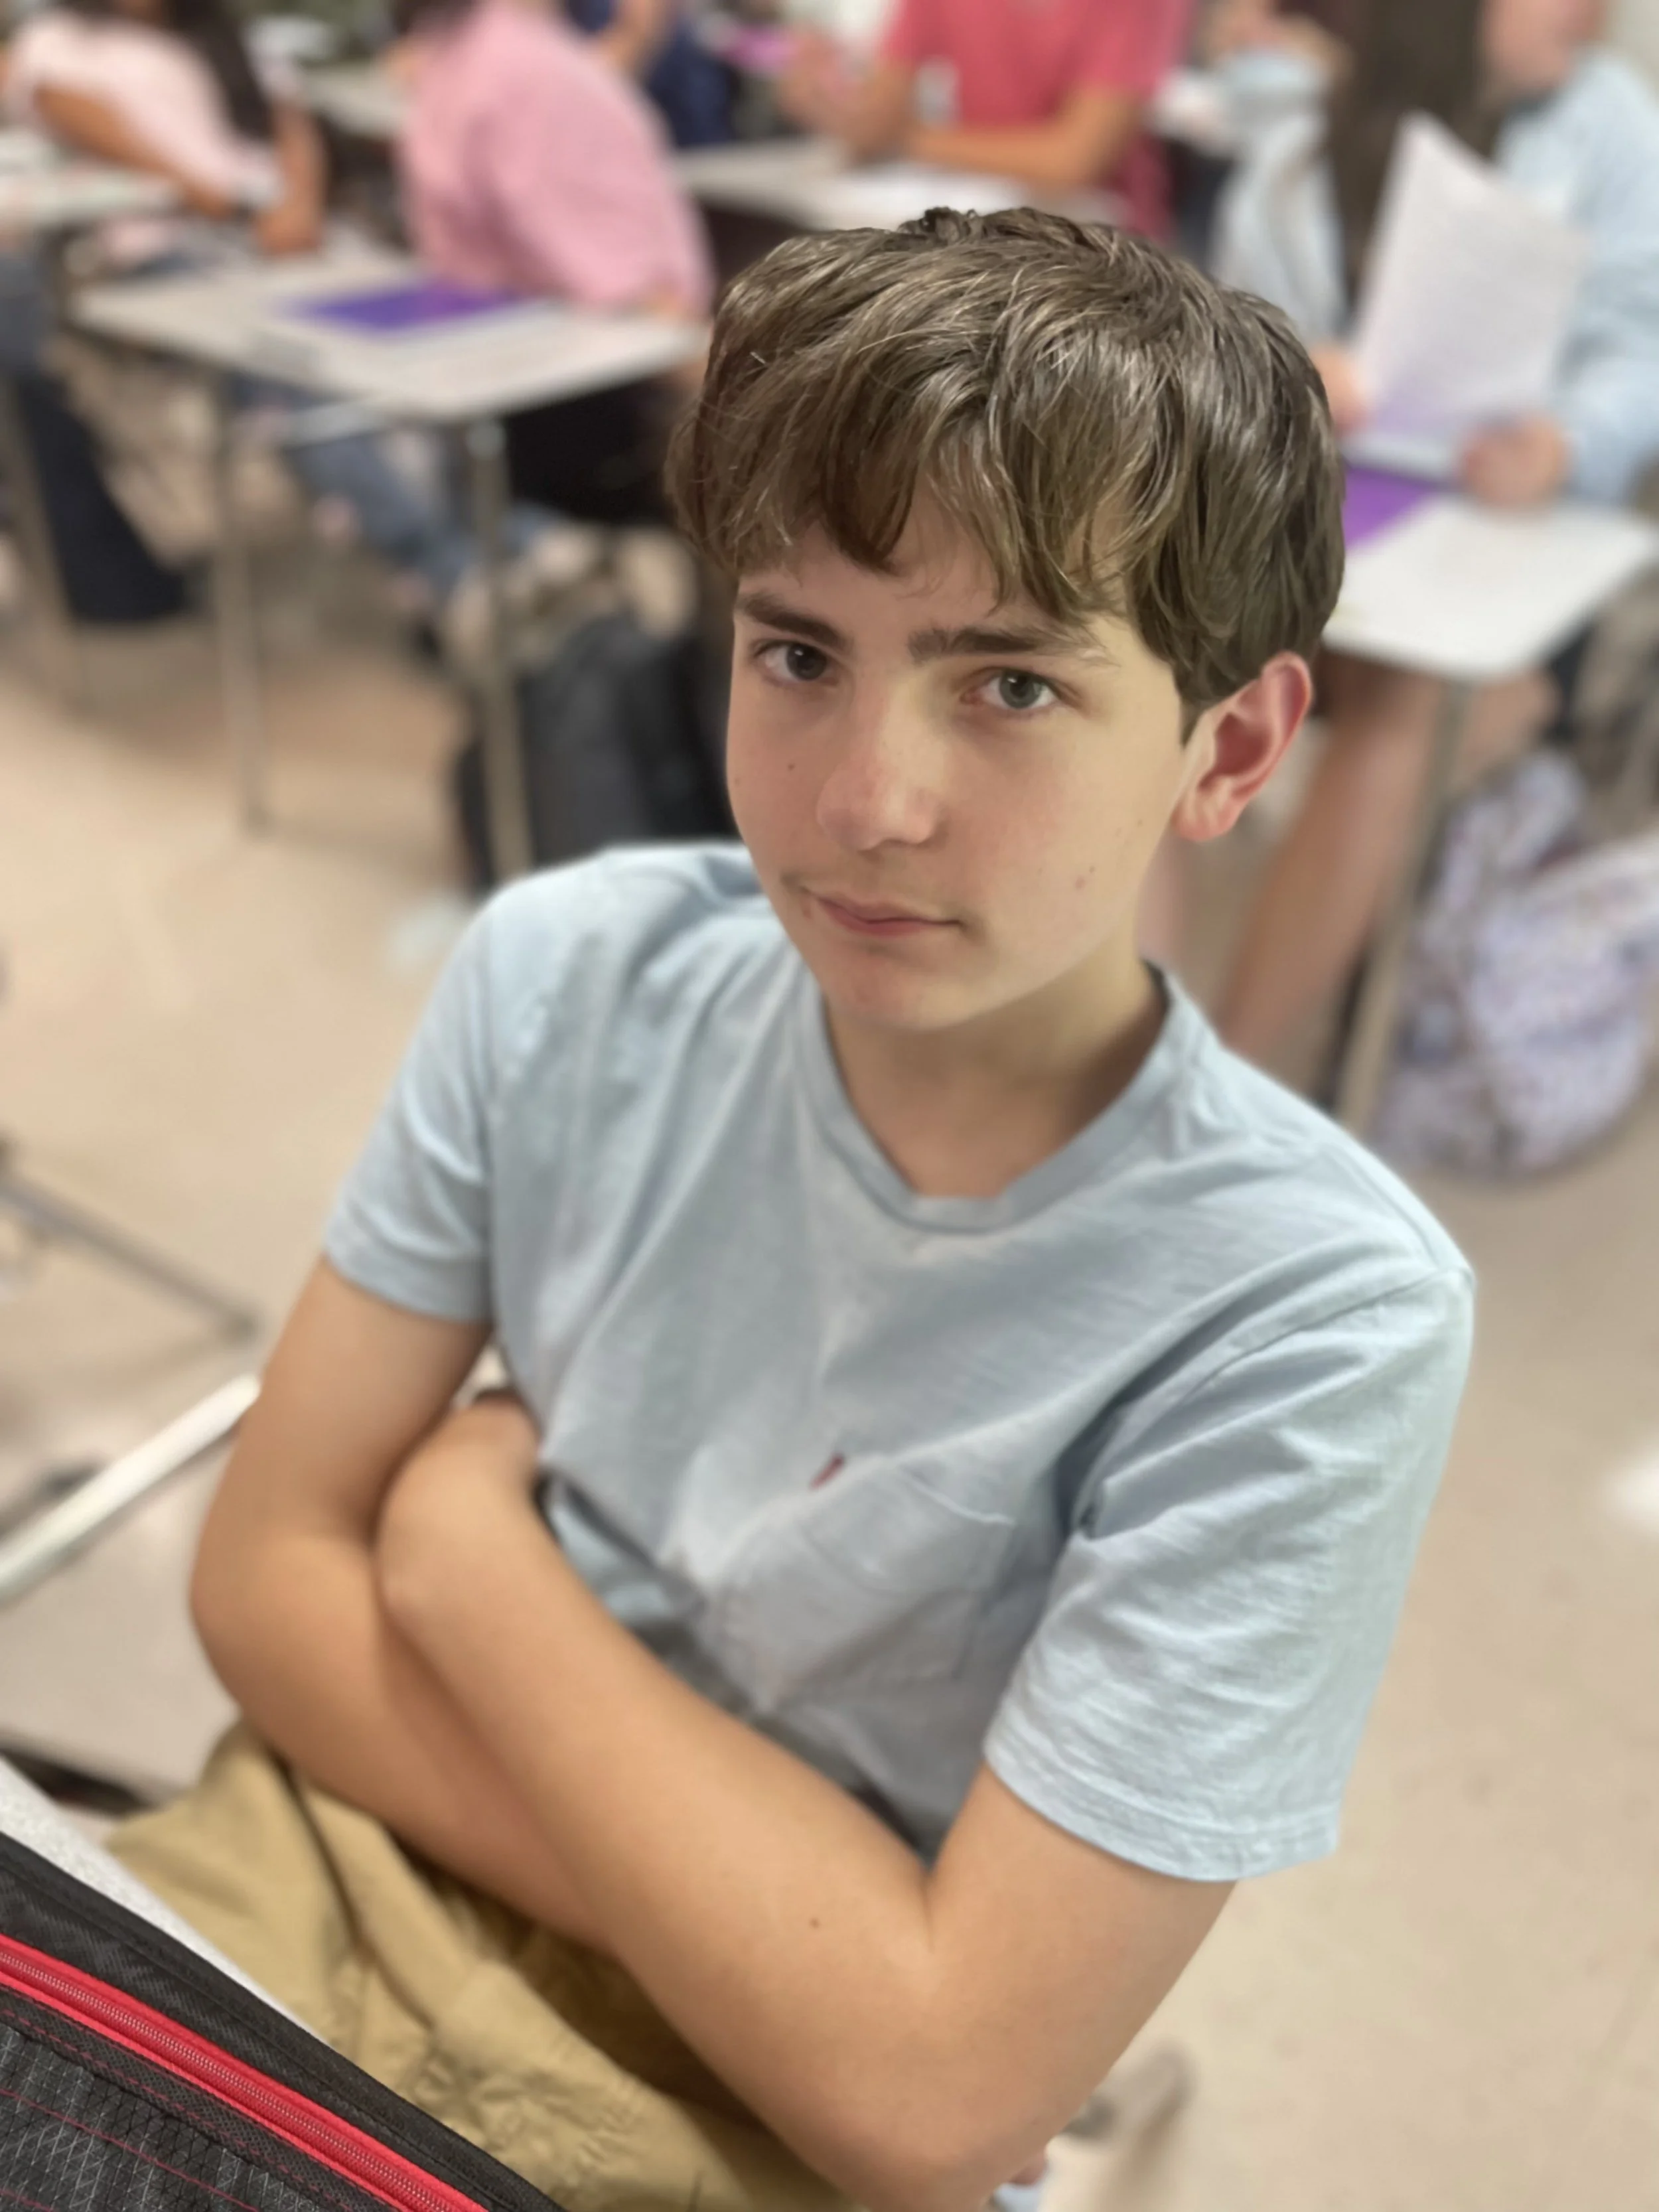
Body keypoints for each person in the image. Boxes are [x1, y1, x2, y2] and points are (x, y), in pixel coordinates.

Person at [111, 211, 1473, 2212]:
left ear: (1230, 745)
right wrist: (807, 1958)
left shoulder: (1303, 1313)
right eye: (795, 652)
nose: (862, 796)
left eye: (1005, 683)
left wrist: (460, 1547)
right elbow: (256, 1586)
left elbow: (928, 2103)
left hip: (733, 2129)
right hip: (308, 1884)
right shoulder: (569, 975)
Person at [1208, 0, 1659, 1065]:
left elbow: (1643, 342)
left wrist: (1567, 440)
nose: (1591, 10)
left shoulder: (1616, 129)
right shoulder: (1300, 128)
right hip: (1317, 518)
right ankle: (1107, 1064)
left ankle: (1229, 1071)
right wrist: (1291, 371)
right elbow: (1218, 338)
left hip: (1501, 549)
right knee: (1169, 651)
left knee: (1405, 700)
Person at [5, 0, 589, 658]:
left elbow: (291, 124)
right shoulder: (57, 43)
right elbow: (97, 128)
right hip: (173, 258)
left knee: (424, 361)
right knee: (298, 390)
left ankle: (507, 535)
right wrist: (225, 203)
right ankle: (454, 570)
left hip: (293, 242)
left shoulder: (219, 36)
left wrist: (296, 209)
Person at [399, 0, 712, 526]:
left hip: (516, 368)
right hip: (589, 385)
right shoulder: (523, 69)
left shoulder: (458, 48)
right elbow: (608, 280)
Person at [780, 0, 1193, 238]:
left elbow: (1074, 161)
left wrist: (904, 139)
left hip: (1101, 242)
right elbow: (875, 122)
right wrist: (830, 101)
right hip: (979, 233)